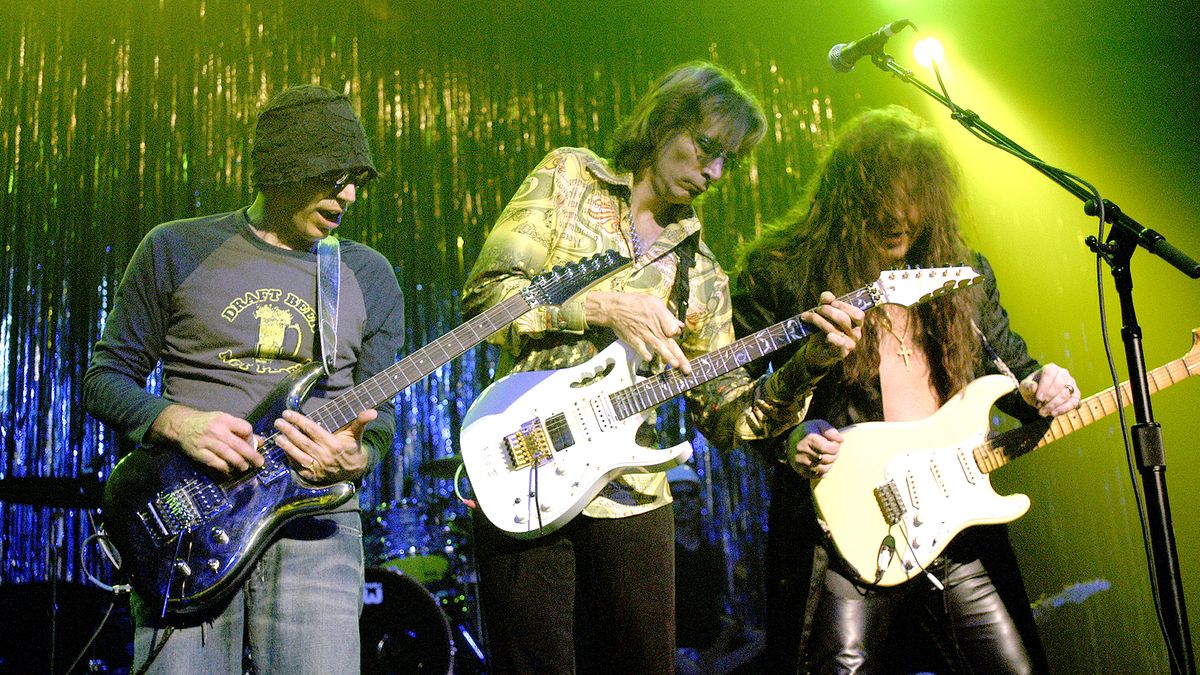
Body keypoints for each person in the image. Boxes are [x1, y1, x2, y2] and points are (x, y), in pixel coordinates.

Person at [461, 60, 864, 673]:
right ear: (665, 124)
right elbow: (485, 297)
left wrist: (808, 363)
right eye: (707, 148)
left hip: (632, 493)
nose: (715, 172)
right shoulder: (570, 177)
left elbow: (733, 419)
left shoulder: (703, 277)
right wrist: (599, 306)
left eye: (728, 160)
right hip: (525, 459)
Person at [734, 104, 1080, 674]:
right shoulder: (785, 273)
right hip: (846, 531)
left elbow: (1012, 372)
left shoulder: (963, 274)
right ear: (848, 199)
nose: (898, 215)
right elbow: (734, 395)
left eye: (914, 197)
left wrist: (1044, 385)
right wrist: (788, 437)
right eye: (881, 199)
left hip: (953, 519)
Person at [83, 84, 404, 673]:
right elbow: (104, 379)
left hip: (317, 526)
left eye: (356, 179)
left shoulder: (368, 274)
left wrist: (359, 458)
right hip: (188, 515)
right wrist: (177, 422)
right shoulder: (176, 247)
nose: (350, 195)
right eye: (335, 178)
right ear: (285, 168)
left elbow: (378, 416)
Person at [669, 463, 766, 674]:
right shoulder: (663, 557)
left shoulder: (712, 554)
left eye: (690, 495)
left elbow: (712, 609)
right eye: (677, 496)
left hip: (711, 645)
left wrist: (728, 634)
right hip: (675, 650)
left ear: (699, 500)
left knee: (765, 641)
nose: (684, 502)